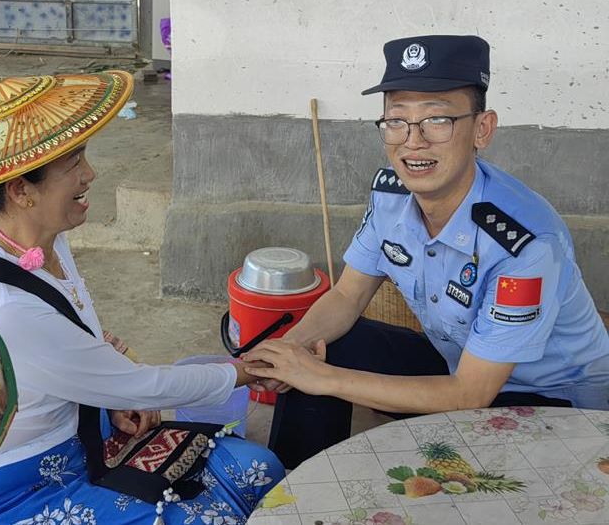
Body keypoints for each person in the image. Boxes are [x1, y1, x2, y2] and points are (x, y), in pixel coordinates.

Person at [0, 71, 283, 524]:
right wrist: (242, 372)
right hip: (25, 489)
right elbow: (141, 385)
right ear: (21, 190)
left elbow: (86, 353)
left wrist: (109, 401)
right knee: (210, 518)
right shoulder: (4, 305)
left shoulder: (39, 235)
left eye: (83, 155)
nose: (90, 174)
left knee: (259, 470)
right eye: (73, 165)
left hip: (86, 436)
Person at [243, 35, 609, 468]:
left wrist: (324, 378)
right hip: (460, 363)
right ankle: (285, 486)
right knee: (326, 344)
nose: (413, 142)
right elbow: (345, 297)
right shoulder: (391, 196)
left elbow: (471, 394)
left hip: (553, 401)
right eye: (397, 120)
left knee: (457, 478)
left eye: (437, 120)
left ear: (482, 129)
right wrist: (288, 352)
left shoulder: (525, 243)